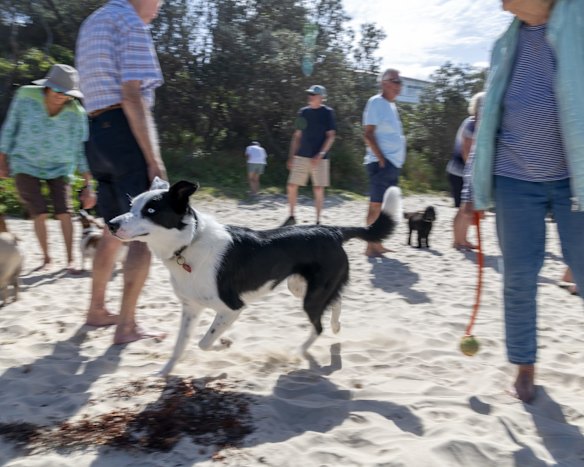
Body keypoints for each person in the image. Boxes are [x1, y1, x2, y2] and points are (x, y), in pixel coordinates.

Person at [462, 0, 584, 403]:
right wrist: (472, 190)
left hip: (574, 180)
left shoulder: (577, 24)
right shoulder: (503, 45)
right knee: (518, 279)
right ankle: (525, 366)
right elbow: (488, 118)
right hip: (514, 180)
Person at [76, 0, 167, 344]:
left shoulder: (94, 21)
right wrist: (153, 158)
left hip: (96, 132)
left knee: (113, 230)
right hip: (125, 132)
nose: (160, 6)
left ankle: (97, 309)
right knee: (142, 232)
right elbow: (132, 96)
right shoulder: (131, 24)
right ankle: (126, 326)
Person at [0, 64, 96, 271]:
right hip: (24, 161)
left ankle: (70, 259)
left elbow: (80, 149)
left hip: (60, 166)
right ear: (47, 86)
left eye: (67, 94)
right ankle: (47, 259)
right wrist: (2, 161)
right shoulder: (25, 96)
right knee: (40, 212)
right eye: (57, 90)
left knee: (64, 212)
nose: (61, 96)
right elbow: (10, 128)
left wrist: (88, 185)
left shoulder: (77, 114)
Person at [362, 68, 406, 257]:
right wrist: (381, 158)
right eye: (396, 81)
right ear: (385, 83)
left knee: (384, 207)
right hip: (382, 163)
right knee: (376, 205)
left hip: (391, 164)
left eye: (400, 81)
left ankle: (376, 243)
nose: (400, 85)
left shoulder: (391, 105)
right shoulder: (376, 102)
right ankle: (370, 246)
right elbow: (368, 133)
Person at [283, 85, 336, 226]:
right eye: (309, 94)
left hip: (320, 158)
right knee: (291, 185)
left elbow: (331, 136)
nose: (310, 96)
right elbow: (297, 135)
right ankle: (292, 216)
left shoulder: (328, 112)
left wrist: (321, 154)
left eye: (313, 94)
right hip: (302, 155)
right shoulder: (303, 112)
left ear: (321, 97)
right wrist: (291, 156)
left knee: (318, 188)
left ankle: (318, 221)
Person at [448, 91, 485, 251]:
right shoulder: (471, 124)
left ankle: (462, 239)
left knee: (465, 208)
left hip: (464, 171)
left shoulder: (475, 122)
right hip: (460, 171)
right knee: (463, 208)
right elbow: (466, 152)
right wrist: (473, 175)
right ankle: (458, 241)